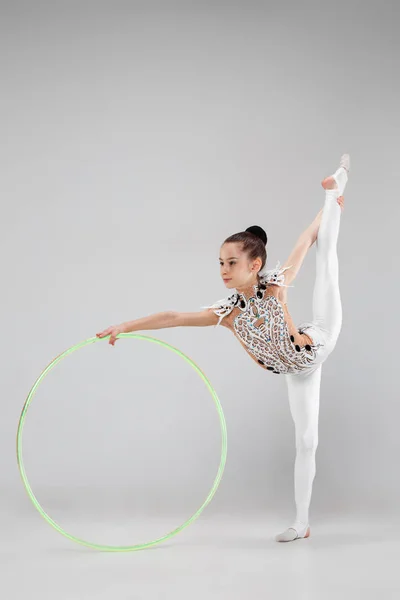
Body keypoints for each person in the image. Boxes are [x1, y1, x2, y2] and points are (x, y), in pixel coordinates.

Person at [96, 154, 350, 543]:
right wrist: (124, 326)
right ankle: (302, 523)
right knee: (306, 441)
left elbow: (304, 242)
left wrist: (326, 211)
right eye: (220, 263)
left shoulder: (275, 285)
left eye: (232, 262)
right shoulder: (228, 312)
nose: (224, 270)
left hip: (319, 340)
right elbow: (173, 317)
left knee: (326, 260)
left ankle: (337, 189)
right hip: (295, 371)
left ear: (255, 264)